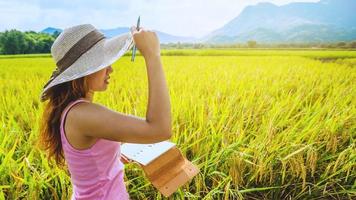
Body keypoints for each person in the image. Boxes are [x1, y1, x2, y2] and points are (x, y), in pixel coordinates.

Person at [38, 24, 172, 200]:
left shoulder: (74, 111)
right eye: (102, 62)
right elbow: (160, 129)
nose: (110, 69)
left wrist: (113, 155)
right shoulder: (82, 115)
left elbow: (90, 160)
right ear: (82, 72)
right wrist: (152, 55)